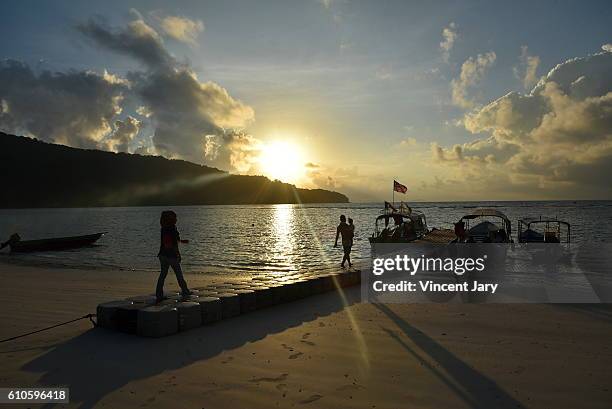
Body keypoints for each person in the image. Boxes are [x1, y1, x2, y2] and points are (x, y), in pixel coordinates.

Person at [156, 210, 191, 303]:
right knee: (178, 274)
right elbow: (170, 244)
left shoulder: (164, 228)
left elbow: (173, 240)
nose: (176, 219)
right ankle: (185, 291)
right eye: (175, 217)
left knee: (163, 274)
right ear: (171, 219)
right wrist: (177, 254)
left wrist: (182, 241)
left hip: (162, 255)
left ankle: (159, 294)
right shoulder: (171, 228)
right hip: (170, 256)